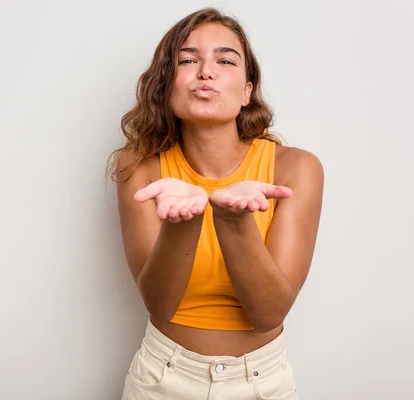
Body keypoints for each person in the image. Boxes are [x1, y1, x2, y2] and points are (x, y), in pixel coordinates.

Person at [107, 7, 323, 400]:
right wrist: (183, 221)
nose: (206, 72)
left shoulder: (295, 168)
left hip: (264, 383)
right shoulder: (139, 168)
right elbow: (159, 304)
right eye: (188, 60)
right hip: (162, 380)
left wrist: (232, 220)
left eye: (225, 60)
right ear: (166, 85)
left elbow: (269, 312)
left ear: (247, 91)